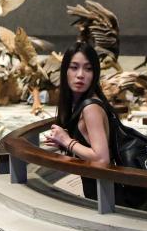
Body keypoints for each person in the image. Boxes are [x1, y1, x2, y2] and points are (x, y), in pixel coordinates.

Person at [43, 42, 113, 200]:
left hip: (107, 197)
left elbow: (102, 159)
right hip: (98, 192)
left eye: (88, 69)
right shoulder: (77, 105)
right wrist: (63, 142)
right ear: (65, 71)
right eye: (74, 67)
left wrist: (67, 141)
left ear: (95, 74)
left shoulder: (91, 108)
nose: (80, 75)